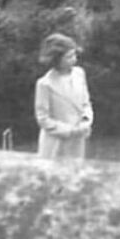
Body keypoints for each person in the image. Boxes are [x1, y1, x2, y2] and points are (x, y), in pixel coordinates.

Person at [34, 33, 94, 161]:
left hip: (77, 140)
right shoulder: (45, 84)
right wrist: (69, 130)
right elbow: (43, 118)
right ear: (56, 59)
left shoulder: (79, 74)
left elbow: (86, 103)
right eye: (69, 57)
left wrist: (85, 122)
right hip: (55, 143)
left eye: (74, 55)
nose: (74, 59)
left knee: (74, 175)